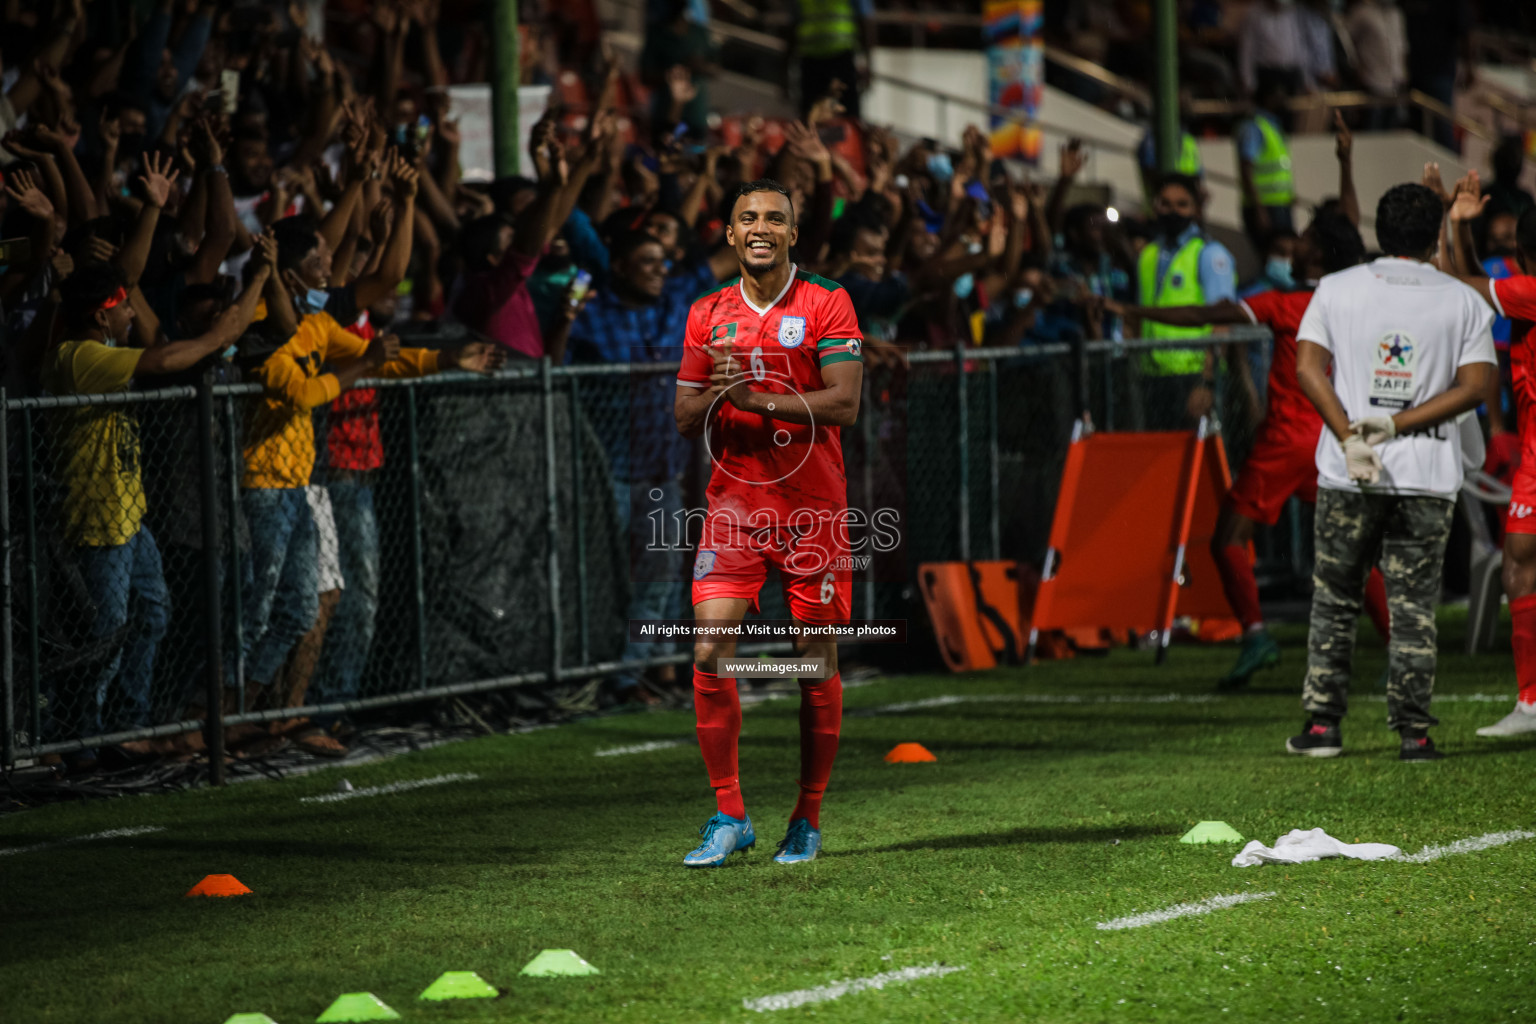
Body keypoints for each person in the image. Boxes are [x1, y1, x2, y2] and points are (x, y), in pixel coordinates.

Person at [1108, 210, 1391, 687]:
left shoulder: (1286, 303)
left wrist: (1136, 311)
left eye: (1302, 239)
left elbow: (1206, 313)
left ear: (1318, 251)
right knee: (1352, 550)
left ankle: (1257, 636)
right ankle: (1396, 643)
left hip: (1287, 440)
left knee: (1228, 539)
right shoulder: (1358, 302)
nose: (1291, 247)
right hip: (1335, 438)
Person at [240, 194, 498, 704]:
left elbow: (383, 360)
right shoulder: (257, 327)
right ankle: (227, 719)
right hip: (263, 485)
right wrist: (365, 363)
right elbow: (305, 390)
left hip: (298, 482)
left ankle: (270, 714)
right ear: (288, 273)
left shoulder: (314, 324)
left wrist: (448, 360)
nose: (329, 268)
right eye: (319, 260)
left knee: (305, 606)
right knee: (261, 612)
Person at [674, 179, 863, 866]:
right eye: (747, 217)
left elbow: (844, 405)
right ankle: (729, 814)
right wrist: (715, 394)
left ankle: (806, 818)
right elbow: (684, 414)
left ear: (791, 234)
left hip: (812, 511)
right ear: (729, 234)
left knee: (812, 664)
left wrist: (753, 397)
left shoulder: (825, 302)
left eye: (774, 219)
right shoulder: (706, 314)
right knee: (707, 651)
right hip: (733, 508)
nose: (760, 227)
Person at [41, 239, 276, 755]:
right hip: (97, 521)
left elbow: (156, 341)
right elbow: (168, 357)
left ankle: (128, 730)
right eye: (123, 304)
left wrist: (241, 302)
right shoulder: (79, 357)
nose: (131, 311)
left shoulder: (100, 348)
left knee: (151, 615)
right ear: (103, 316)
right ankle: (84, 743)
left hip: (129, 517)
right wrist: (218, 334)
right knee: (103, 639)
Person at [1287, 182, 1496, 762]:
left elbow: (1308, 369)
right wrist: (1398, 425)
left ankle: (1324, 728)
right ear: (1435, 237)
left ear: (1379, 232)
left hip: (1349, 471)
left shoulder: (1335, 288)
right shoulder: (1461, 301)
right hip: (1427, 473)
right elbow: (1476, 387)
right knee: (1413, 605)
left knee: (1335, 596)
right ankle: (1414, 734)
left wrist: (1351, 435)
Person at [566, 230, 717, 704]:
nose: (659, 270)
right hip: (605, 471)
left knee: (661, 578)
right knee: (600, 579)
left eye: (662, 261)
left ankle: (630, 678)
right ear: (619, 267)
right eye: (646, 261)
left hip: (661, 471)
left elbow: (726, 261)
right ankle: (585, 675)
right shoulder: (590, 315)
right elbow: (555, 370)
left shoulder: (676, 303)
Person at [1447, 191, 1536, 737]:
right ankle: (1531, 703)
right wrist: (1460, 228)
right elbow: (1478, 286)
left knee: (1519, 564)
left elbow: (1461, 289)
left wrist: (1452, 226)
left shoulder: (1531, 293)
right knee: (1519, 563)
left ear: (1525, 256)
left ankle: (1532, 701)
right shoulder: (1525, 294)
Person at [1133, 173, 1237, 428]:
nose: (1173, 211)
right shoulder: (1148, 254)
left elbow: (1222, 322)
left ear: (1195, 209)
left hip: (1193, 375)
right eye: (1166, 204)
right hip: (1153, 376)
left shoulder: (1209, 254)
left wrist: (1206, 382)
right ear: (1155, 206)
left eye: (1182, 204)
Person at [789, 0, 876, 121]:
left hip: (840, 57)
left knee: (848, 115)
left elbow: (865, 20)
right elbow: (794, 23)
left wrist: (868, 62)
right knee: (811, 115)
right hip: (812, 58)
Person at [1236, 80, 1297, 245]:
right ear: (1268, 98)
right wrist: (1259, 209)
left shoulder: (1273, 126)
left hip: (1278, 204)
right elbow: (1246, 170)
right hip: (1265, 207)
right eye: (1279, 95)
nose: (1284, 99)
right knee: (1273, 255)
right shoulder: (1254, 127)